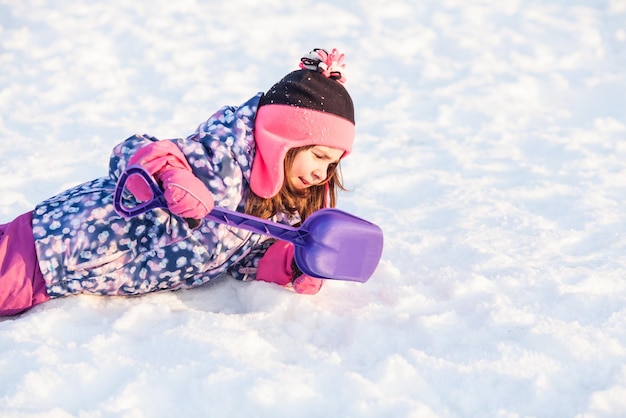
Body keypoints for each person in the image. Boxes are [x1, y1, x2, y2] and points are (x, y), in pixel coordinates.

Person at [0, 48, 356, 316]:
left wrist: (292, 263)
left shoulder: (281, 209)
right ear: (283, 140)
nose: (322, 175)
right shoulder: (223, 158)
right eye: (319, 156)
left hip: (69, 275)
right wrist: (173, 176)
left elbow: (244, 258)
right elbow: (134, 150)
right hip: (47, 245)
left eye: (333, 164)